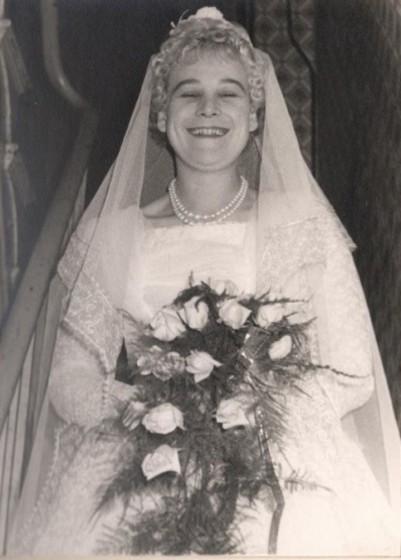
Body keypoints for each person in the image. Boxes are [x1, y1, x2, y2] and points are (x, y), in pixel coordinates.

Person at [8, 7, 401, 556]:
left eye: (230, 93)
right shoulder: (114, 233)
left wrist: (250, 408)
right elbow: (71, 371)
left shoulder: (299, 226)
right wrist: (143, 408)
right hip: (146, 450)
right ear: (161, 114)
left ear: (257, 114)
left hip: (276, 452)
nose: (208, 109)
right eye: (188, 93)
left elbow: (354, 367)